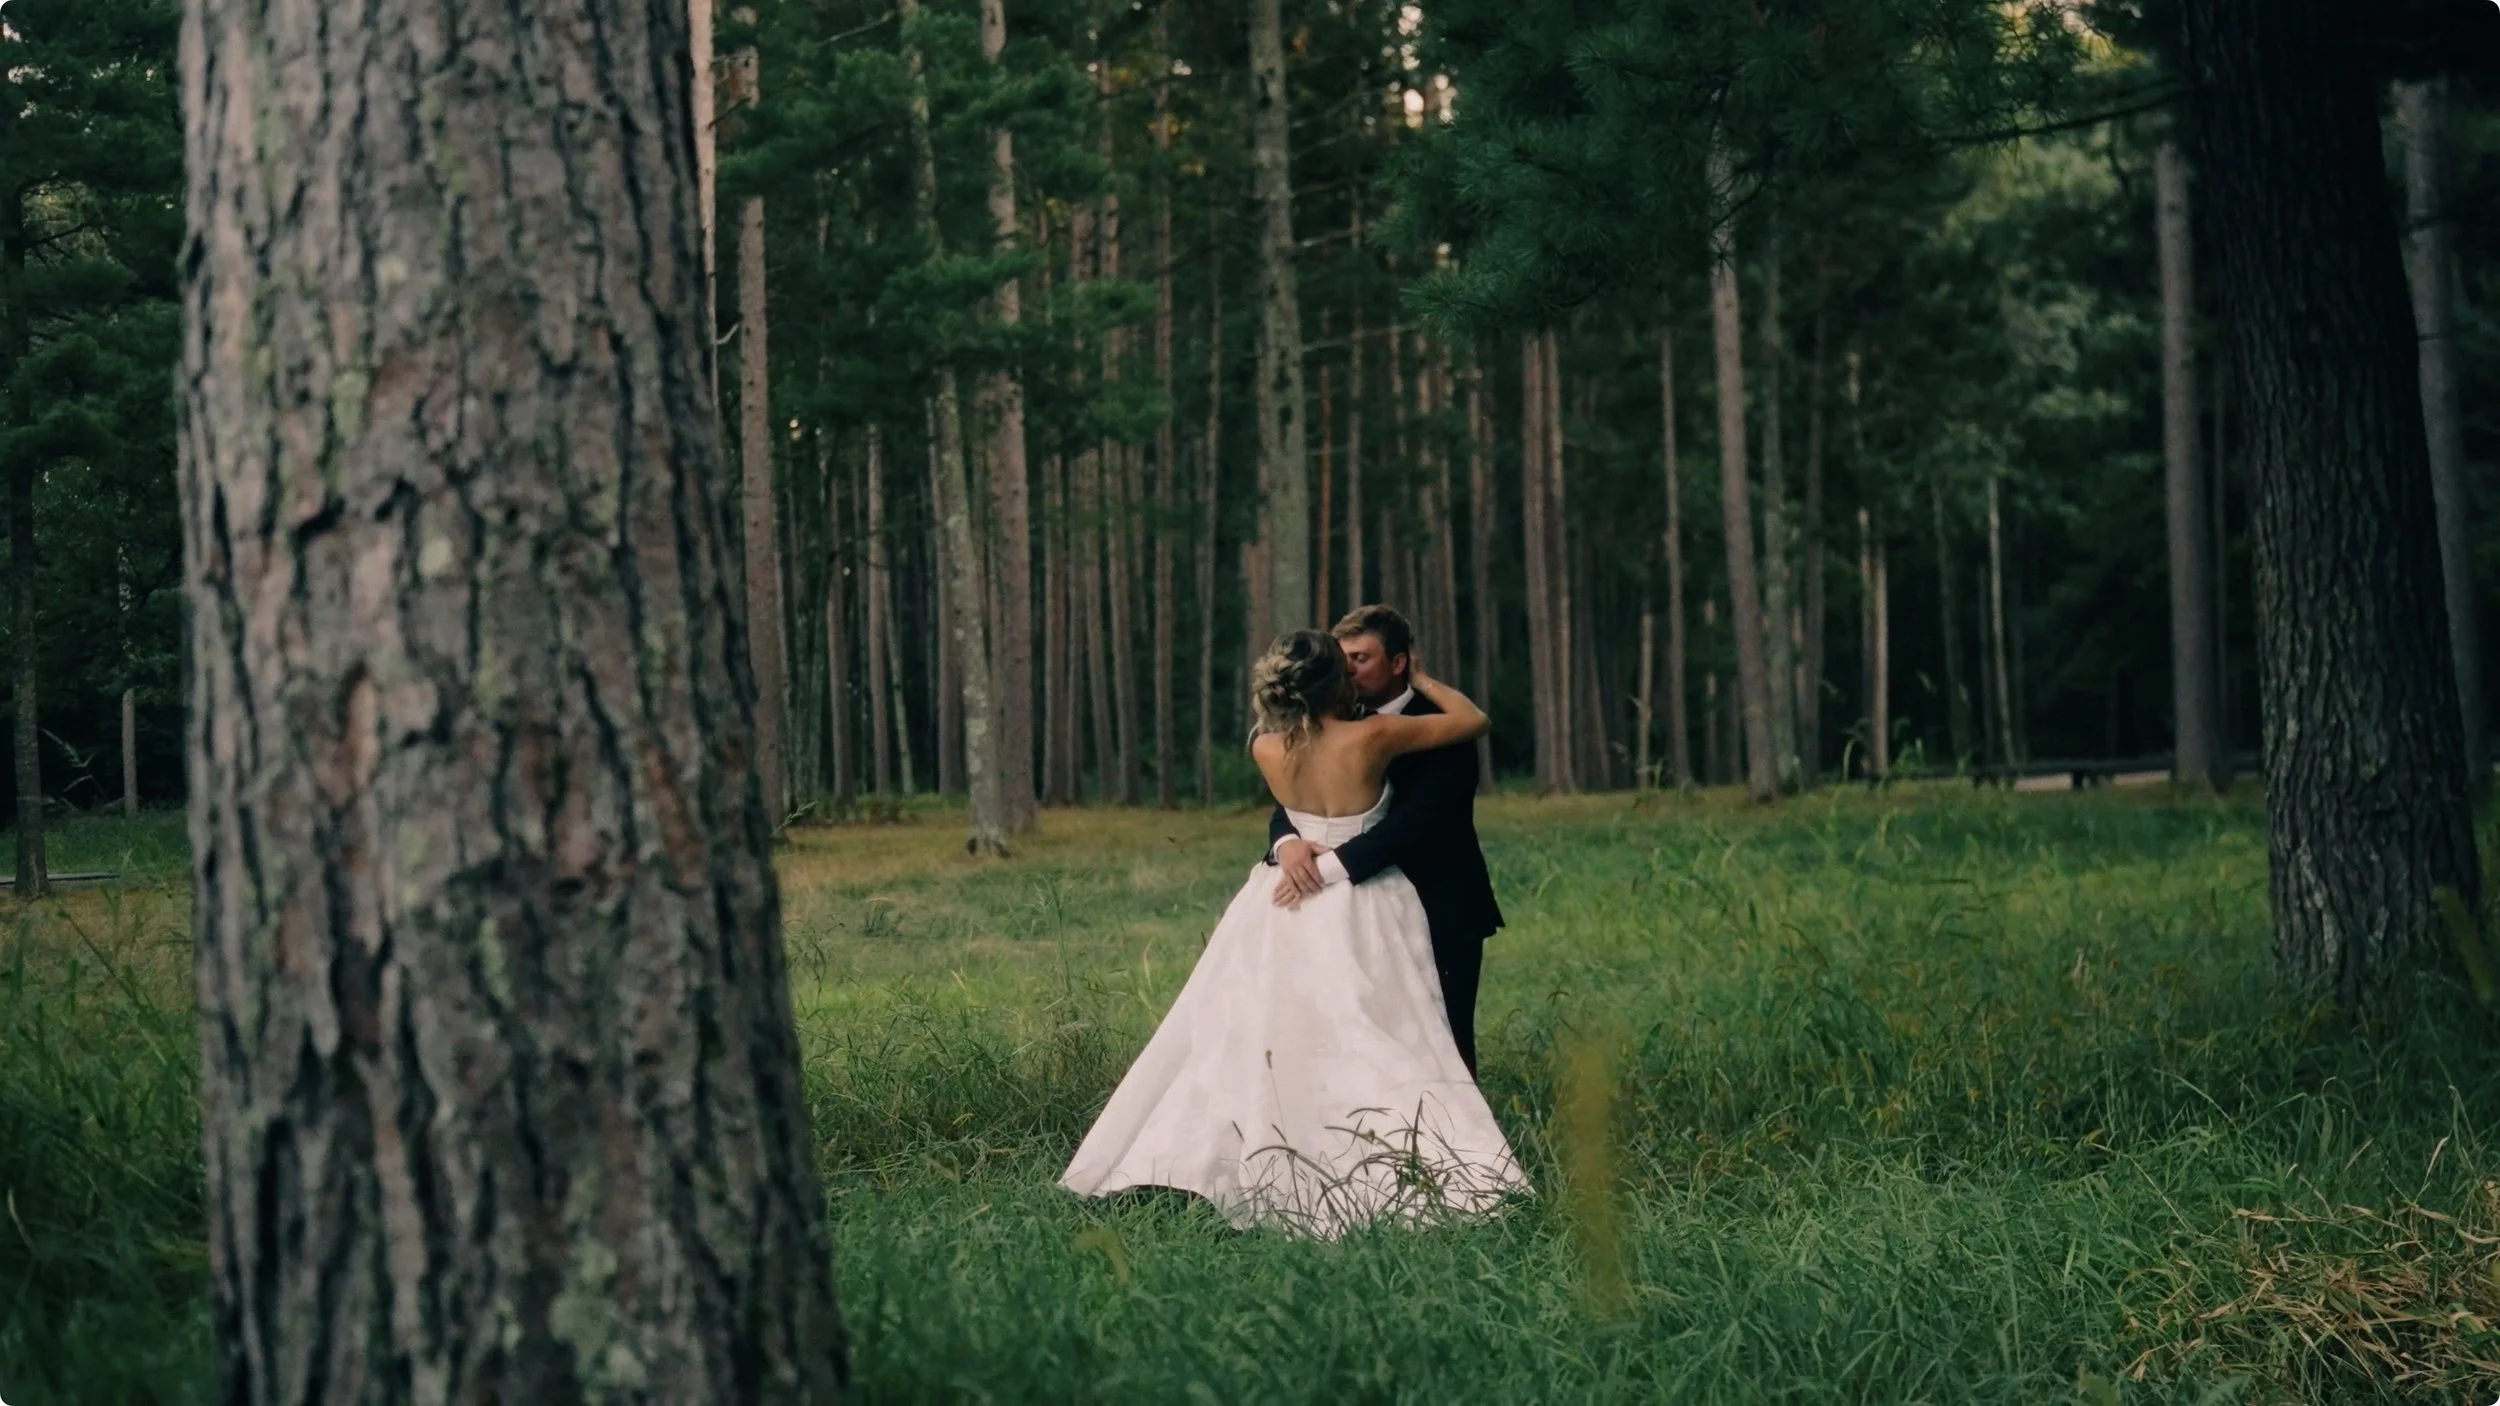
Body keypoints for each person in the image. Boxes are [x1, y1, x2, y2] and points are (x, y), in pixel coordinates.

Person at [1058, 629, 1528, 1237]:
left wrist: (1290, 843)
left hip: (1279, 902)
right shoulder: (1376, 736)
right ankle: (1386, 1157)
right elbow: (1471, 720)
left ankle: (1266, 1151)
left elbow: (1295, 807)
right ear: (1338, 683)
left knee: (1263, 1030)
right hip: (1364, 902)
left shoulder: (1265, 747)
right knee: (1376, 1030)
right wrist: (1423, 681)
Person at [1268, 606, 1504, 1075]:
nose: (1347, 669)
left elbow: (1420, 822)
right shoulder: (1330, 718)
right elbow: (1290, 801)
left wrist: (1324, 871)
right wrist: (1287, 845)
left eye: (1361, 658)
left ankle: (1449, 1143)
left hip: (1438, 899)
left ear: (1398, 664)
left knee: (1443, 1039)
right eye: (1342, 659)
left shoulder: (1438, 724)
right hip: (1347, 907)